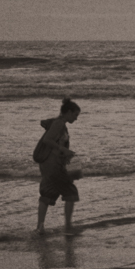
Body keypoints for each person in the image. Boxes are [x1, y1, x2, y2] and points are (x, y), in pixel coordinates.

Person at [35, 98, 82, 235]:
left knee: (47, 193)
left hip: (48, 166)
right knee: (71, 192)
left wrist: (64, 153)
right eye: (75, 115)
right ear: (68, 112)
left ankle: (40, 227)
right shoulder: (59, 124)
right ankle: (68, 227)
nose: (76, 119)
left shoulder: (58, 123)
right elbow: (47, 140)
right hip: (54, 166)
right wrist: (64, 150)